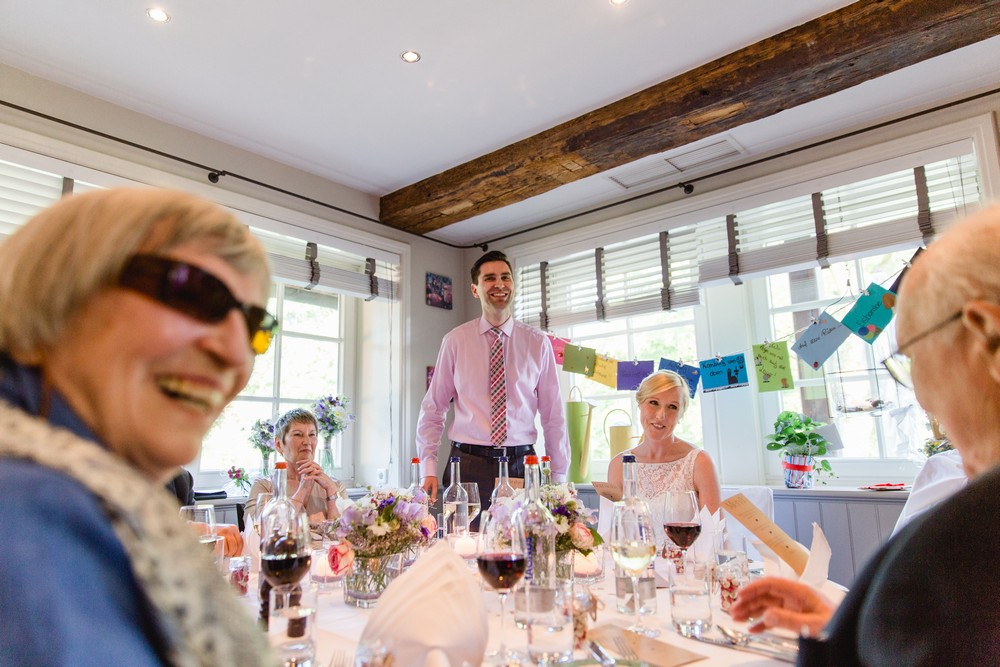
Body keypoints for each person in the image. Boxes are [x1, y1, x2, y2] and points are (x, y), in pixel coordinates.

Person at [0, 187, 275, 665]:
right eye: (191, 293)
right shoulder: (34, 514)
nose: (237, 355)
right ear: (60, 296)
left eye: (256, 326)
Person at [730, 203, 1000, 665]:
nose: (921, 398)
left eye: (912, 356)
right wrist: (850, 629)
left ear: (987, 335)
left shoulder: (971, 539)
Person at [416, 250, 569, 509]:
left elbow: (553, 415)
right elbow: (433, 408)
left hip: (522, 464)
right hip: (466, 464)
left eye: (505, 277)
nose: (499, 284)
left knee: (521, 545)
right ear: (475, 290)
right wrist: (427, 467)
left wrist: (559, 475)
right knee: (462, 543)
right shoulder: (455, 341)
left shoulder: (538, 343)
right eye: (489, 278)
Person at [606, 370, 721, 514]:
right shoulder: (618, 466)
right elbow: (611, 532)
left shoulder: (700, 462)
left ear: (681, 414)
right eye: (654, 403)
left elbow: (717, 533)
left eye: (672, 406)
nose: (661, 415)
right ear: (640, 403)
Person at [244, 407, 343, 525]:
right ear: (278, 444)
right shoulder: (264, 486)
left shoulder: (335, 485)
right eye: (298, 434)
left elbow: (344, 536)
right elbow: (257, 530)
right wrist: (303, 490)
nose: (307, 442)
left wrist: (331, 492)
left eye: (312, 434)